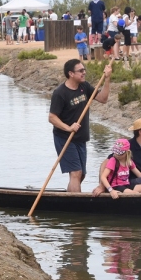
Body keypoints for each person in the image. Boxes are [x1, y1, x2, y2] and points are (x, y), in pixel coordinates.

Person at [48, 60, 113, 193]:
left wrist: (107, 79)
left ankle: (69, 197)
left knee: (81, 174)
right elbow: (52, 117)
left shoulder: (85, 86)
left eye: (84, 70)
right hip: (65, 137)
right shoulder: (60, 93)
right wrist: (68, 128)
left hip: (80, 138)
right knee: (76, 172)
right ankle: (75, 202)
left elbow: (103, 99)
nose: (84, 73)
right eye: (80, 71)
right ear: (71, 73)